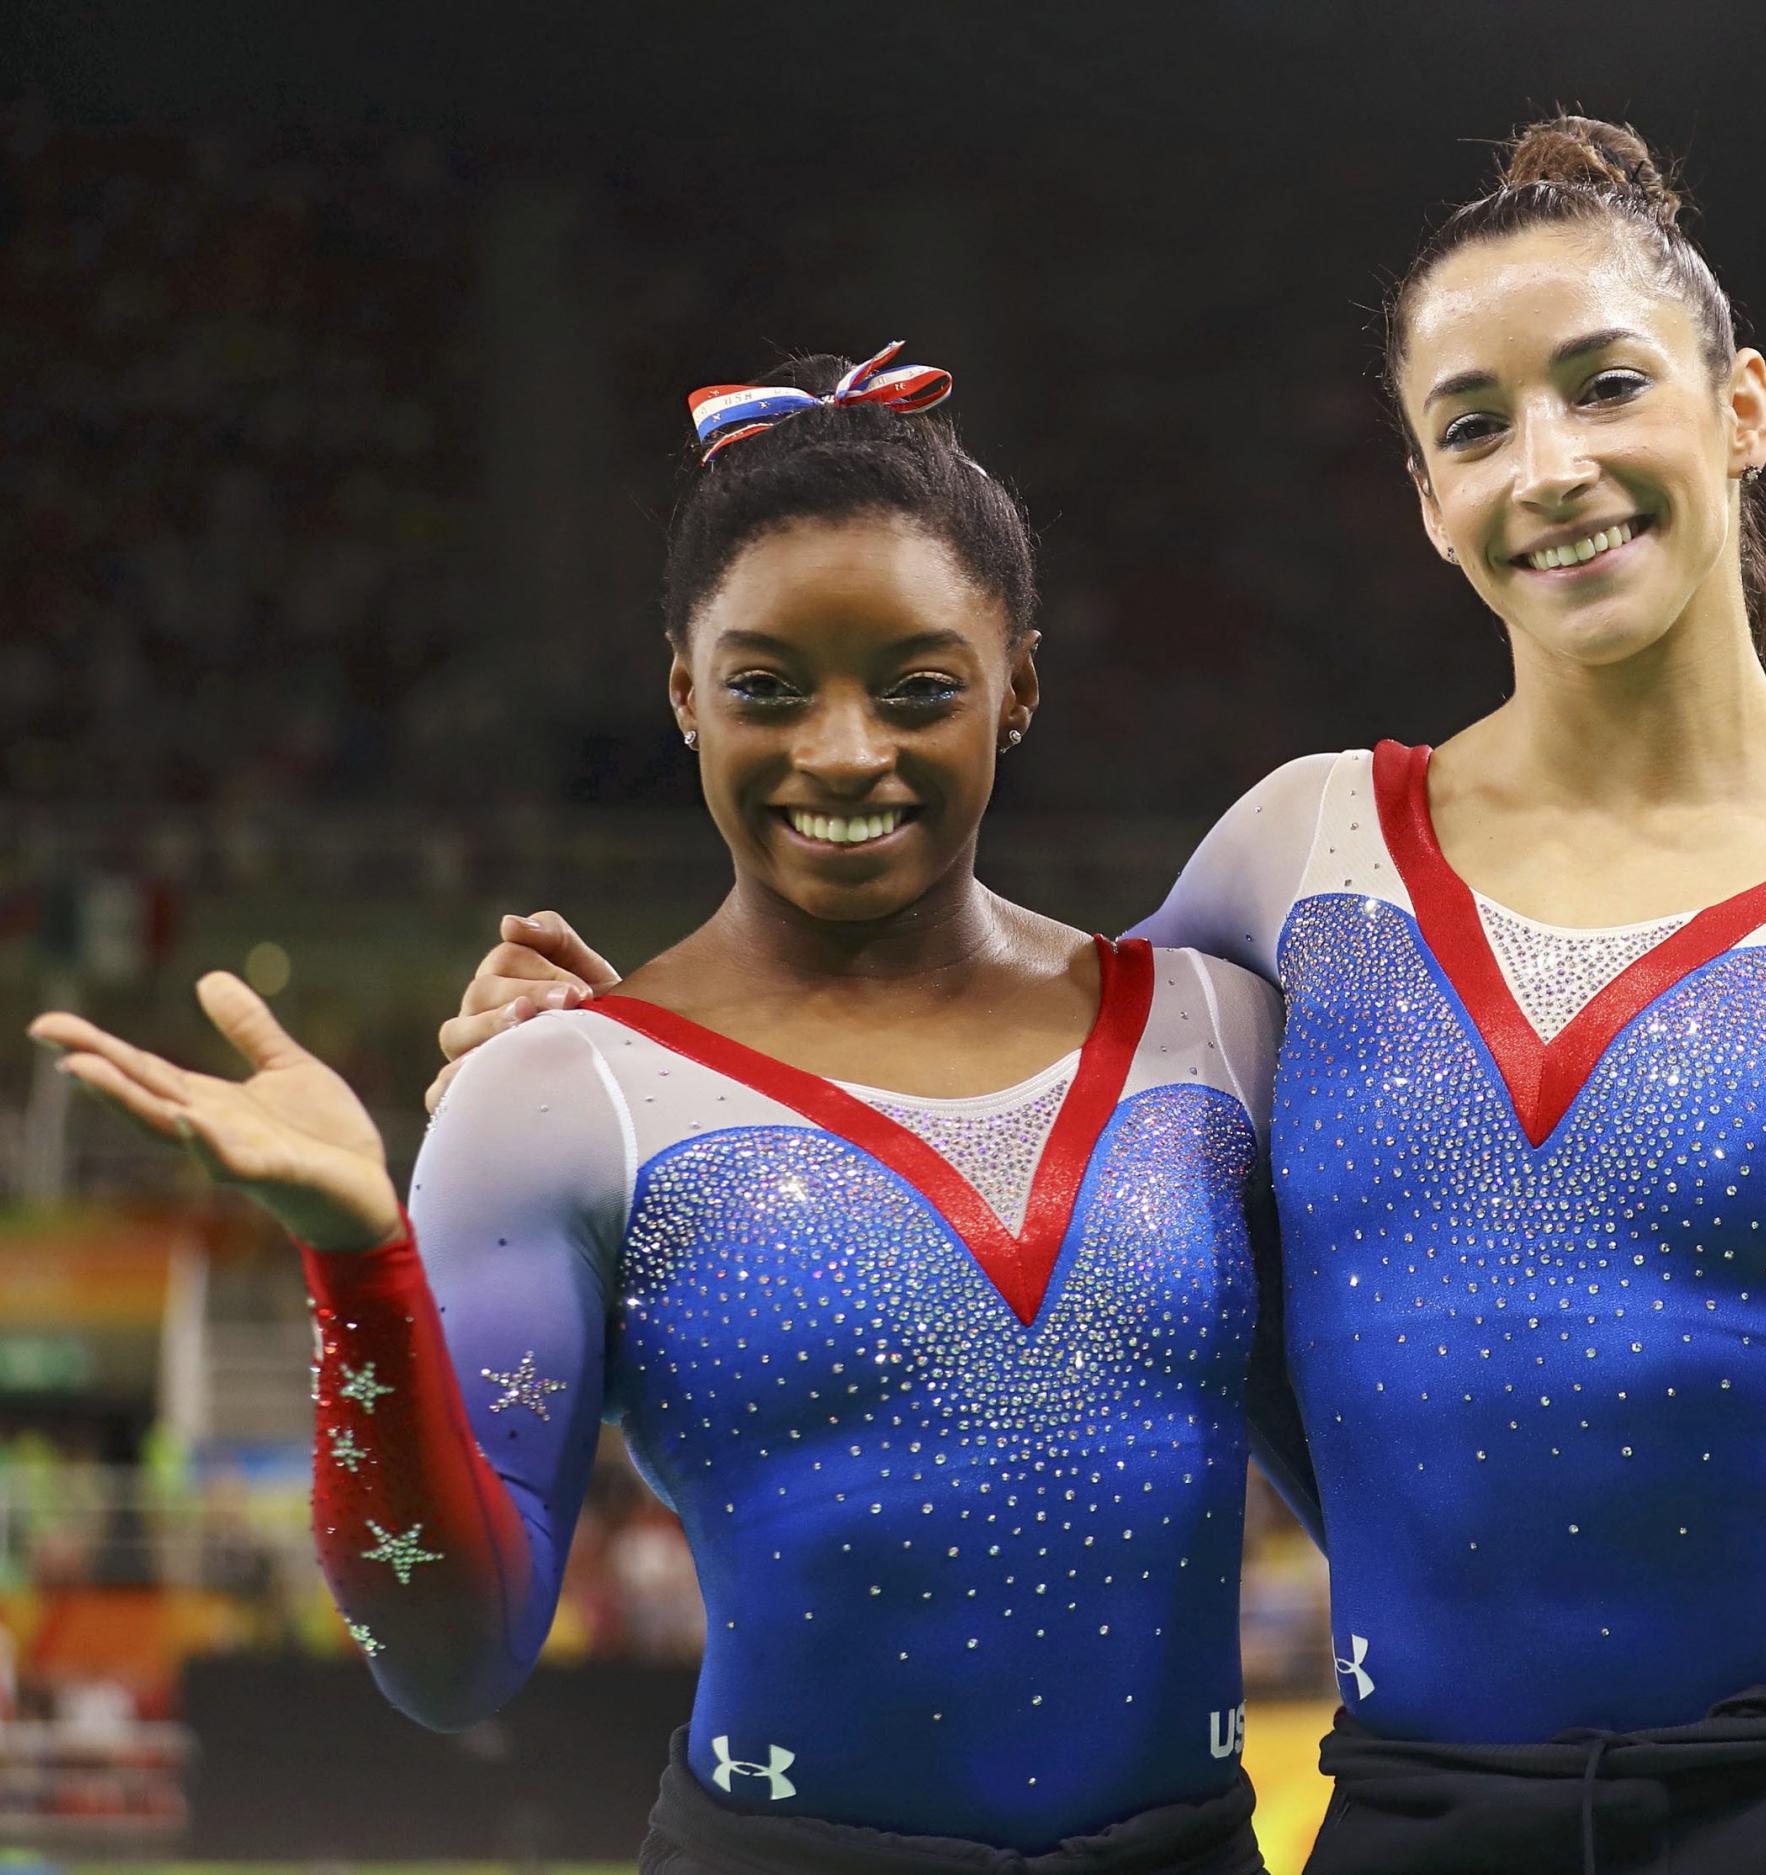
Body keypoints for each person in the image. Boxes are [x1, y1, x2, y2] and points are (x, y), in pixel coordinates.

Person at [436, 120, 1766, 1872]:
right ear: (1423, 497)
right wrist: (662, 1051)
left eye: (1605, 386)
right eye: (1473, 425)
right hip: (1416, 1811)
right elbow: (1021, 1103)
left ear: (1739, 404)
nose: (1551, 467)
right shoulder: (1293, 861)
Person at [36, 354, 1299, 1874]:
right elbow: (446, 1664)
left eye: (919, 687)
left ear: (1017, 682)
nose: (844, 752)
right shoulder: (559, 1099)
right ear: (683, 690)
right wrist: (357, 1264)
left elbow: (1405, 1463)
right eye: (768, 687)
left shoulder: (1217, 1030)